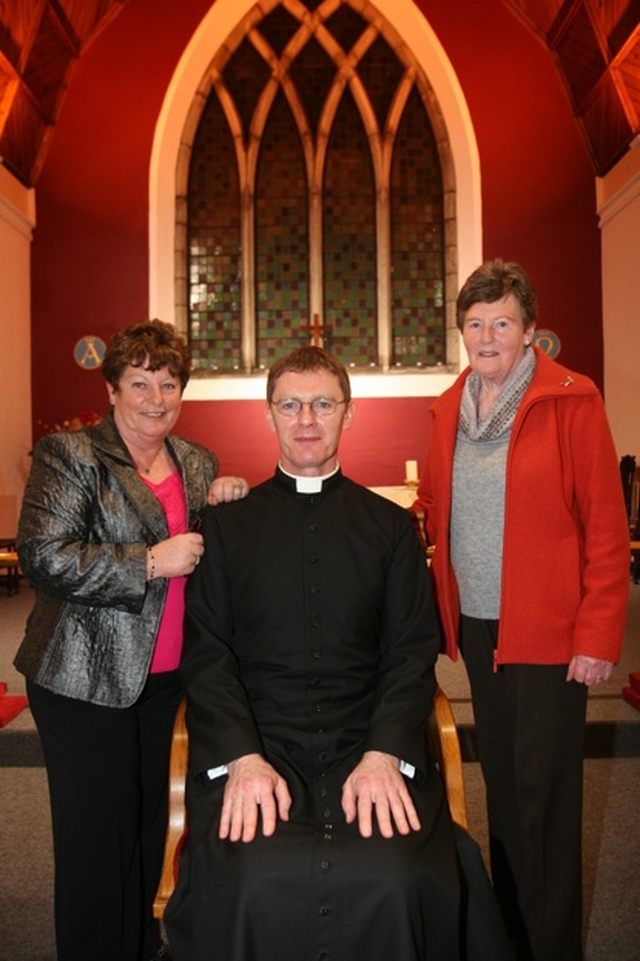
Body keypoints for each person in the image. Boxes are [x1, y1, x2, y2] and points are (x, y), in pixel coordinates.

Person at [164, 345, 512, 961]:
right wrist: (241, 758)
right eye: (291, 405)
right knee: (252, 877)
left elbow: (411, 653)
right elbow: (207, 655)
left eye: (323, 404)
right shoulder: (225, 527)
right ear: (268, 415)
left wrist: (385, 754)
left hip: (366, 741)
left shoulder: (390, 527)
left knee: (397, 874)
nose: (306, 420)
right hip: (258, 744)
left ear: (348, 415)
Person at [414, 260, 630, 961]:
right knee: (503, 793)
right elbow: (436, 510)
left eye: (501, 322)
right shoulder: (451, 405)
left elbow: (604, 526)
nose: (486, 334)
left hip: (548, 634)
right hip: (479, 630)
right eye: (474, 323)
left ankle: (553, 946)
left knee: (546, 801)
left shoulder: (572, 400)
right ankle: (509, 941)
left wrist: (598, 633)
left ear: (530, 330)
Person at [14, 319, 248, 961]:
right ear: (113, 388)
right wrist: (147, 562)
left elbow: (203, 546)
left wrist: (226, 499)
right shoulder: (71, 456)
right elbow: (43, 556)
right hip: (85, 679)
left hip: (167, 677)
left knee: (148, 825)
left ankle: (140, 944)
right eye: (139, 382)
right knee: (97, 836)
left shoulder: (197, 461)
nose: (155, 398)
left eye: (168, 383)